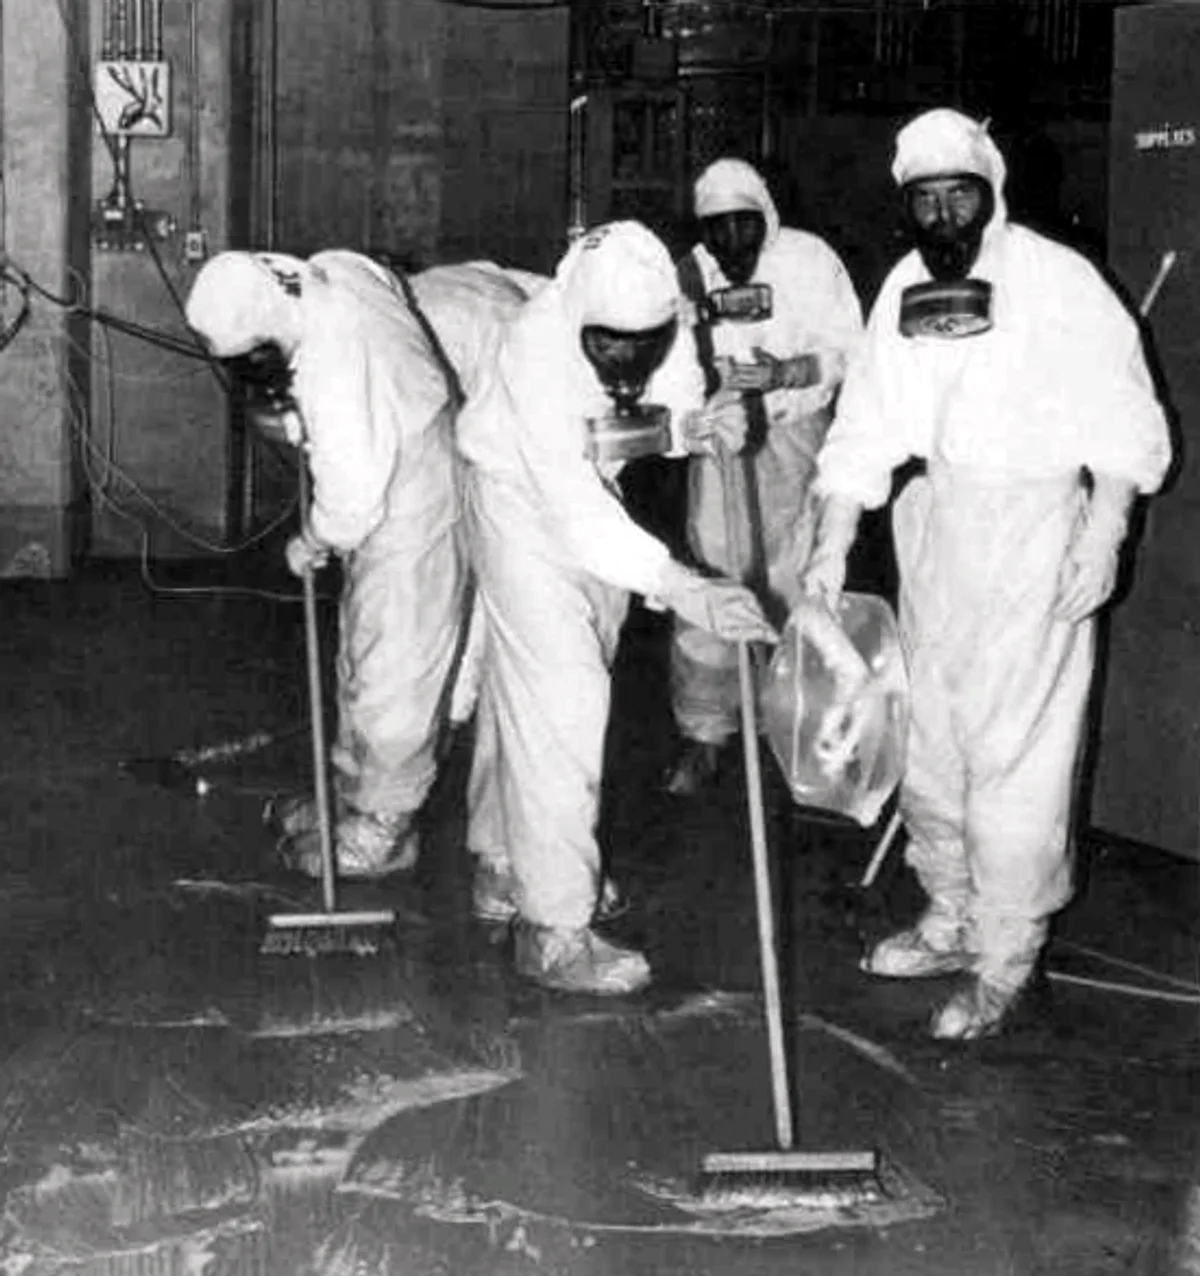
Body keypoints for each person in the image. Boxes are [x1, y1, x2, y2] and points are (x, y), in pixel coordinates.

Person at [800, 108, 1172, 1040]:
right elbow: (866, 424)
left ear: (990, 191)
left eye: (956, 194)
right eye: (922, 200)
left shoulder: (1057, 281)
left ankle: (1005, 951)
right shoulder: (902, 293)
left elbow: (1122, 413)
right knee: (930, 737)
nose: (940, 217)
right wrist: (832, 538)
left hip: (1035, 528)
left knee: (1017, 753)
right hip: (940, 526)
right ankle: (949, 912)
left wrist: (1107, 528)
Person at [456, 219, 778, 995]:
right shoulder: (538, 343)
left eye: (644, 344)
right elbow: (574, 510)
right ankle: (554, 927)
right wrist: (685, 587)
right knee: (565, 696)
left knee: (537, 688)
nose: (625, 361)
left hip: (590, 488)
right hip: (516, 495)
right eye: (609, 346)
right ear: (580, 320)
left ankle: (508, 864)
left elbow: (650, 418)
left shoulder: (665, 316)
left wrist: (700, 428)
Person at [185, 250, 541, 880]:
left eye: (257, 360)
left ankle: (385, 826)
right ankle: (350, 796)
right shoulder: (332, 273)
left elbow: (352, 495)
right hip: (408, 450)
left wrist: (315, 538)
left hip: (411, 486)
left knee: (393, 669)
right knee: (362, 649)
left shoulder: (334, 368)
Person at [664, 157, 863, 796]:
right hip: (721, 446)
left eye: (743, 226)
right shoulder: (689, 273)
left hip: (793, 440)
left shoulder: (808, 261)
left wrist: (790, 373)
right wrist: (710, 385)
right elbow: (666, 355)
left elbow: (848, 348)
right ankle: (704, 732)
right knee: (712, 580)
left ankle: (803, 734)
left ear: (767, 219)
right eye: (716, 229)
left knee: (797, 579)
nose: (731, 244)